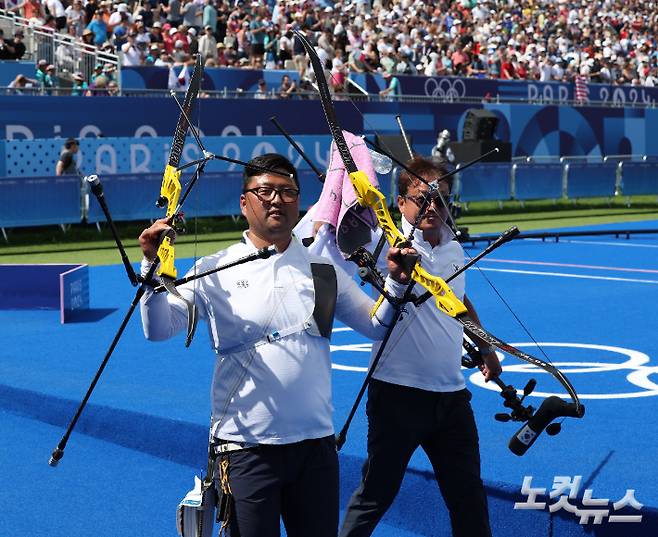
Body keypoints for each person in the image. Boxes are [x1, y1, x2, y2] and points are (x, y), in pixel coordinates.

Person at [138, 153, 416, 537]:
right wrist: (151, 267)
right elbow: (159, 328)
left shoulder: (322, 269)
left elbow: (376, 325)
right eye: (264, 191)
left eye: (287, 192)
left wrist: (398, 283)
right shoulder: (214, 268)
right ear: (244, 201)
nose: (276, 200)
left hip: (316, 448)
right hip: (244, 449)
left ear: (299, 201)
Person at [339, 156, 502, 537]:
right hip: (397, 395)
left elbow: (457, 297)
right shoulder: (383, 242)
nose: (432, 207)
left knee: (468, 498)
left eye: (441, 198)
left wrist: (486, 346)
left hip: (451, 397)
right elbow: (343, 234)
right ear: (400, 203)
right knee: (376, 492)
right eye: (421, 198)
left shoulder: (452, 248)